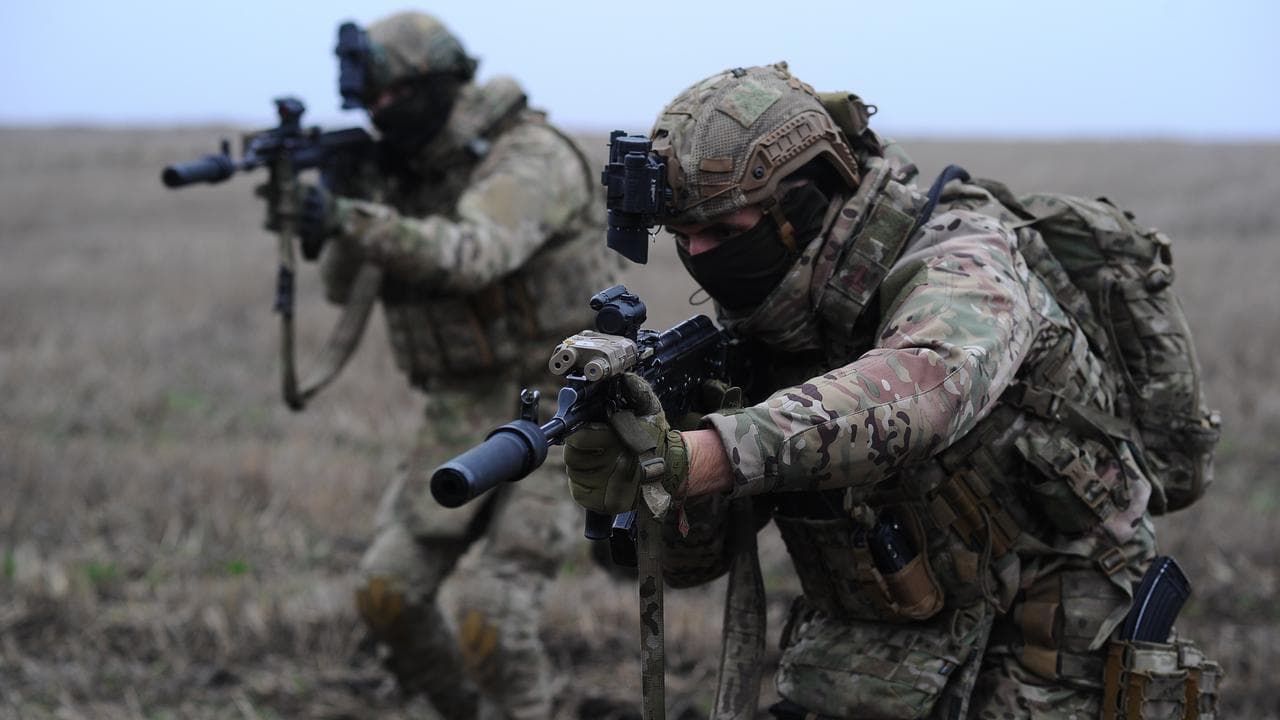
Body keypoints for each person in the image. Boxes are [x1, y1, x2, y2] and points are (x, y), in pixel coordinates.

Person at [564, 63, 1218, 718]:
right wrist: (654, 482)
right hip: (871, 652)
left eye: (727, 233)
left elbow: (928, 386)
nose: (702, 256)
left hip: (1051, 648)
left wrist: (702, 455)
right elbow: (691, 565)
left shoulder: (962, 256)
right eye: (683, 239)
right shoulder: (773, 316)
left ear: (809, 200)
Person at [293, 12, 614, 720]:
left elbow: (472, 255)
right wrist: (344, 207)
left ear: (436, 82)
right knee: (387, 593)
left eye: (390, 99)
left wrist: (353, 217)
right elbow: (345, 288)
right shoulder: (406, 170)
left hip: (569, 403)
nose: (380, 117)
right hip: (465, 407)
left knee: (492, 618)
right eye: (367, 105)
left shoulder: (528, 154)